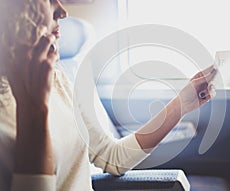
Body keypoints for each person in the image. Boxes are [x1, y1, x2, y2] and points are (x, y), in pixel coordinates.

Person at [0, 0, 217, 190]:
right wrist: (35, 109)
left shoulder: (58, 79)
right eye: (47, 0)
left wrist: (181, 104)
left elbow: (113, 157)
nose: (62, 12)